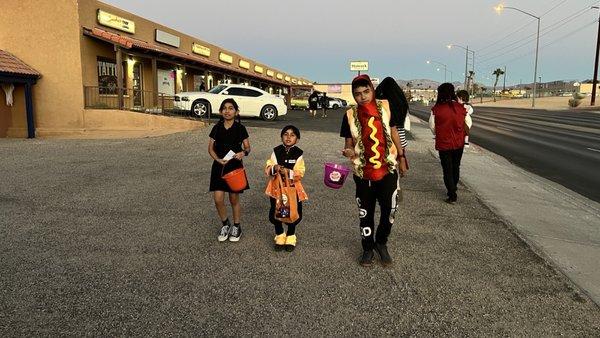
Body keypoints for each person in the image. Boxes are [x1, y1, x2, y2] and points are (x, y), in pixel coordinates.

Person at [340, 74, 405, 267]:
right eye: (358, 94)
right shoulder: (349, 115)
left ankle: (381, 243)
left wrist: (402, 156)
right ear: (354, 95)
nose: (363, 97)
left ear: (372, 89)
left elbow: (394, 131)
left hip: (388, 168)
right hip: (363, 172)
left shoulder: (386, 106)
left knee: (390, 211)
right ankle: (367, 248)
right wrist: (348, 151)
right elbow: (348, 143)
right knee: (365, 213)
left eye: (366, 91)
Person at [208, 98, 251, 242]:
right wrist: (217, 159)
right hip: (219, 166)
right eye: (224, 108)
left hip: (234, 167)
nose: (227, 111)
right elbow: (210, 148)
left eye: (231, 108)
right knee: (218, 199)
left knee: (233, 198)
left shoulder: (240, 128)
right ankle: (225, 224)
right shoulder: (217, 127)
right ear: (220, 111)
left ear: (236, 111)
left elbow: (248, 147)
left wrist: (242, 153)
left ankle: (237, 226)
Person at [264, 125, 308, 251]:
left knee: (293, 212)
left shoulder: (299, 154)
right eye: (286, 134)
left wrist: (287, 172)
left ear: (297, 139)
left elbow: (300, 172)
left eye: (292, 135)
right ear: (281, 137)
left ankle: (290, 235)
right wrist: (274, 168)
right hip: (276, 189)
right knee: (276, 210)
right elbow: (268, 168)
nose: (288, 137)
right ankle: (279, 234)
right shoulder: (275, 151)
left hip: (293, 190)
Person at [428, 83, 471, 204]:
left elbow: (432, 126)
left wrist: (440, 132)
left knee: (447, 169)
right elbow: (468, 123)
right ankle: (454, 187)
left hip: (444, 143)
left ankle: (452, 193)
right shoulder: (461, 108)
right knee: (456, 166)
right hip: (459, 143)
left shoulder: (437, 109)